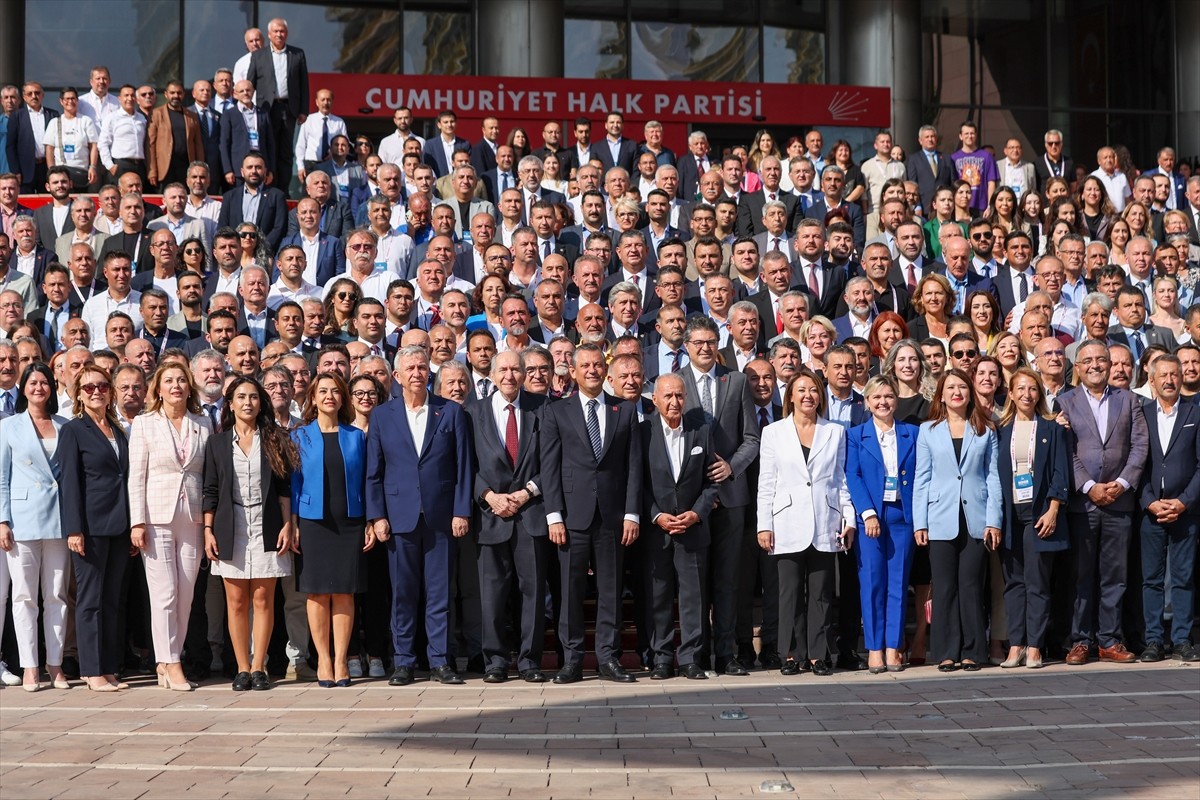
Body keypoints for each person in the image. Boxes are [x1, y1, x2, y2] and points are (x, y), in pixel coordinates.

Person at [366, 345, 473, 686]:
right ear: (396, 377)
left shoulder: (450, 413)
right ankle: (404, 661)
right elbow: (374, 472)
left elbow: (463, 468)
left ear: (431, 373)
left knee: (439, 592)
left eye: (422, 367)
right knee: (404, 593)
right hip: (399, 518)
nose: (417, 373)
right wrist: (377, 516)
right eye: (410, 368)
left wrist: (461, 510)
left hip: (441, 517)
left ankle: (440, 661)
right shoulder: (383, 416)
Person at [540, 343, 642, 684]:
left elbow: (633, 467)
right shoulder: (557, 411)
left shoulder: (624, 411)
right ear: (573, 370)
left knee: (610, 589)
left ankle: (608, 658)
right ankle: (571, 660)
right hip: (572, 516)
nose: (592, 371)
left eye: (598, 365)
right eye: (585, 365)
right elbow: (549, 467)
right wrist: (554, 515)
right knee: (570, 591)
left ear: (606, 370)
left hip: (613, 516)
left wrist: (632, 514)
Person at [756, 368, 855, 676]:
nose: (808, 395)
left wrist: (848, 518)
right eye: (801, 390)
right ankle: (790, 653)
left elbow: (841, 479)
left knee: (822, 593)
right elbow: (766, 482)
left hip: (826, 520)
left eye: (813, 390)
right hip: (786, 521)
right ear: (791, 397)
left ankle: (818, 654)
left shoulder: (835, 431)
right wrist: (764, 524)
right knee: (789, 593)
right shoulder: (773, 432)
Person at [203, 376, 299, 691]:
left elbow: (285, 487)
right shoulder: (217, 443)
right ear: (230, 403)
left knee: (262, 596)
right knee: (235, 599)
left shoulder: (274, 438)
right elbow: (211, 490)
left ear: (261, 403)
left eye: (254, 397)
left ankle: (259, 666)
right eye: (241, 397)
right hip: (231, 524)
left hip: (267, 520)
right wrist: (208, 530)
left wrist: (288, 524)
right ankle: (241, 667)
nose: (248, 403)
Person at [1057, 340, 1148, 666]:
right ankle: (1081, 640)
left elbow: (1139, 446)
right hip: (1084, 503)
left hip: (1119, 502)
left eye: (1101, 360)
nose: (1095, 365)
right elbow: (1065, 451)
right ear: (1077, 368)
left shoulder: (1129, 400)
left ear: (1110, 365)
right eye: (1088, 361)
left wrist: (1122, 484)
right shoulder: (1064, 402)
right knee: (1081, 575)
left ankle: (1109, 640)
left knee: (1116, 575)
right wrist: (1090, 487)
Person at [465, 350, 551, 683]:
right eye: (503, 369)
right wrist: (489, 496)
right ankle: (496, 661)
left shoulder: (543, 409)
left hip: (531, 514)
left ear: (525, 372)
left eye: (516, 369)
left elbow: (554, 462)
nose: (510, 375)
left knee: (532, 592)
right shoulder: (474, 412)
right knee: (492, 595)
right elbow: (466, 465)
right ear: (492, 373)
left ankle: (530, 660)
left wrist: (528, 491)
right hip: (491, 517)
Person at [127, 362, 212, 692]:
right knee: (164, 592)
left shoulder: (203, 423)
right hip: (155, 516)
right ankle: (170, 661)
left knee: (187, 593)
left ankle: (168, 659)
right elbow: (136, 476)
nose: (176, 385)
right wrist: (136, 522)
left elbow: (206, 475)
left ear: (190, 387)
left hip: (191, 517)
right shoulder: (145, 424)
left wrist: (207, 521)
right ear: (157, 389)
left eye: (181, 380)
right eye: (169, 381)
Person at [913, 369, 1002, 672]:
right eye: (950, 387)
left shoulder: (985, 429)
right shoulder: (928, 430)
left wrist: (994, 520)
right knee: (945, 586)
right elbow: (921, 478)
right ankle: (945, 651)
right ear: (941, 394)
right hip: (939, 517)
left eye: (962, 387)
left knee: (971, 585)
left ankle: (972, 651)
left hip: (975, 516)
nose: (957, 392)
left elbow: (993, 478)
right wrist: (919, 522)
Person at [292, 371, 371, 687]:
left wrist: (368, 521)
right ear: (312, 397)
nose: (329, 396)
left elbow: (367, 479)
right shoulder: (299, 436)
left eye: (335, 391)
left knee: (344, 591)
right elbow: (294, 483)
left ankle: (341, 660)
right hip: (313, 522)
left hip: (350, 521)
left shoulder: (356, 436)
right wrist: (294, 523)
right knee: (317, 592)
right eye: (322, 391)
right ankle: (323, 659)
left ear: (343, 398)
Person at [639, 373, 720, 680]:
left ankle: (690, 658)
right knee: (658, 596)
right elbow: (637, 482)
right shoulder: (642, 431)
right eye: (668, 397)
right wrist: (656, 515)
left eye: (680, 396)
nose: (674, 402)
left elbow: (712, 481)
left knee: (693, 597)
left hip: (692, 529)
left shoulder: (702, 431)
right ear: (655, 399)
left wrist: (697, 513)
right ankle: (661, 658)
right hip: (656, 530)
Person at [59, 363, 131, 691]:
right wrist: (74, 528)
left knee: (112, 599)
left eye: (102, 385)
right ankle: (91, 670)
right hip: (89, 526)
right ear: (79, 395)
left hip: (119, 524)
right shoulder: (73, 430)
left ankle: (108, 665)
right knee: (90, 600)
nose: (96, 391)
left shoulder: (117, 428)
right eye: (88, 387)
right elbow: (70, 483)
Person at [0, 363, 71, 691]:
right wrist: (2, 520)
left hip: (58, 519)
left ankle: (54, 665)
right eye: (33, 382)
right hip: (23, 519)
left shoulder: (65, 425)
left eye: (44, 382)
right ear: (24, 387)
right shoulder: (8, 427)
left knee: (56, 595)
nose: (39, 387)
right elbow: (2, 479)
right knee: (24, 596)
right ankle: (30, 666)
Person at [997, 368, 1069, 671]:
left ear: (1039, 394)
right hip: (1010, 514)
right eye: (1021, 389)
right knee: (1014, 583)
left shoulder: (1052, 428)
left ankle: (1036, 646)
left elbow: (1060, 472)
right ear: (1011, 394)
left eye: (1033, 389)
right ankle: (1016, 645)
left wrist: (1053, 509)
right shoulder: (1001, 429)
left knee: (1037, 582)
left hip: (1040, 514)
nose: (1027, 395)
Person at [845, 375, 919, 673]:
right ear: (866, 402)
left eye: (888, 396)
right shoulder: (855, 435)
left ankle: (893, 647)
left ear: (896, 399)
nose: (883, 402)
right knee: (873, 583)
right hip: (871, 520)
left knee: (898, 584)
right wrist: (867, 513)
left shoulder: (912, 433)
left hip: (902, 516)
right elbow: (853, 476)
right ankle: (874, 647)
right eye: (876, 397)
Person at [1136, 355, 1200, 663]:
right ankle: (1153, 640)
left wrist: (1184, 501)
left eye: (1174, 374)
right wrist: (1149, 500)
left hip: (1185, 511)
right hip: (1151, 511)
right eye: (1163, 375)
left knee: (1183, 577)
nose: (1170, 380)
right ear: (1152, 379)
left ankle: (1181, 639)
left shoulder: (1195, 413)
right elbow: (1137, 464)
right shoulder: (1142, 415)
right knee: (1151, 578)